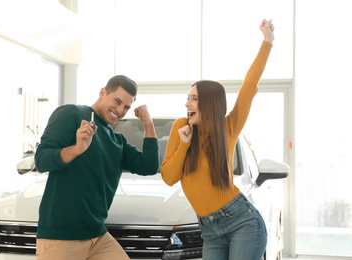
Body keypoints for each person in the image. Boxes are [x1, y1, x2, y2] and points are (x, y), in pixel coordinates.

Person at [160, 19, 275, 260]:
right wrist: (184, 144)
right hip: (209, 230)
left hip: (243, 223)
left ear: (210, 103)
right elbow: (169, 178)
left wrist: (267, 42)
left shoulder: (228, 127)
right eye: (187, 98)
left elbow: (249, 87)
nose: (186, 104)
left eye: (193, 99)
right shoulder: (181, 128)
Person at [34, 75, 160, 260]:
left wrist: (148, 123)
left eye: (126, 107)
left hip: (98, 236)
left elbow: (148, 166)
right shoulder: (72, 113)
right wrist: (77, 149)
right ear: (102, 93)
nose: (119, 110)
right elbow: (41, 160)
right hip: (62, 236)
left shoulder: (118, 141)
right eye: (117, 101)